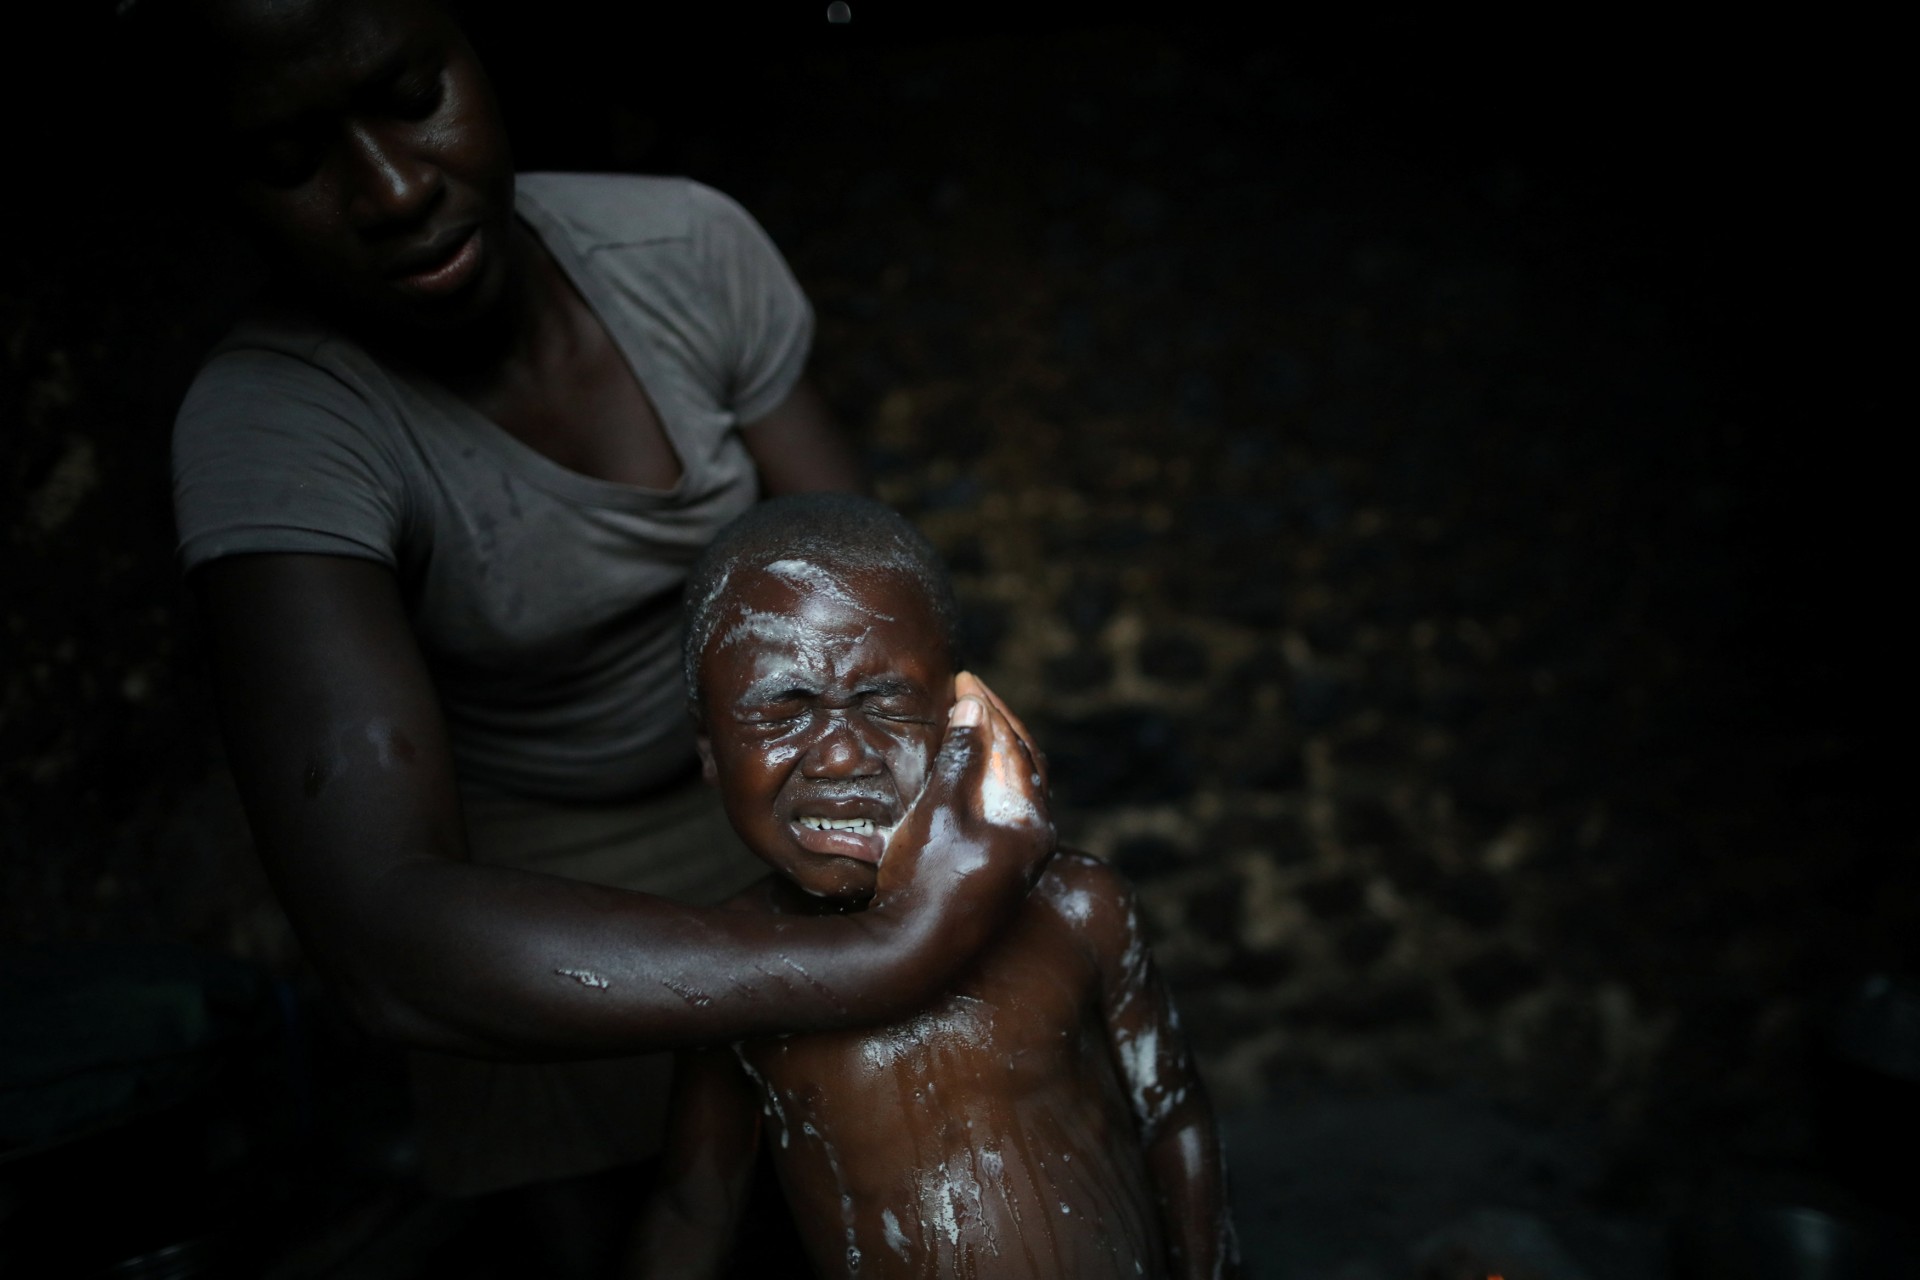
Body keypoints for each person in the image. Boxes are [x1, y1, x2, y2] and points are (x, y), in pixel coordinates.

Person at [149, 0, 1051, 1234]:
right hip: (522, 883)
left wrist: (923, 843)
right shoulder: (279, 426)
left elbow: (872, 605)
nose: (393, 191)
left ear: (482, 51)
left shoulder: (684, 249)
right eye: (290, 159)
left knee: (889, 1181)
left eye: (414, 97)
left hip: (776, 802)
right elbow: (382, 927)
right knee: (643, 1224)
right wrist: (871, 961)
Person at [633, 494, 1240, 1280]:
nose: (843, 757)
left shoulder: (1075, 907)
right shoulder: (733, 971)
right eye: (785, 712)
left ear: (961, 719)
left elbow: (1173, 1118)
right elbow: (695, 1210)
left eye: (885, 704)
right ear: (709, 749)